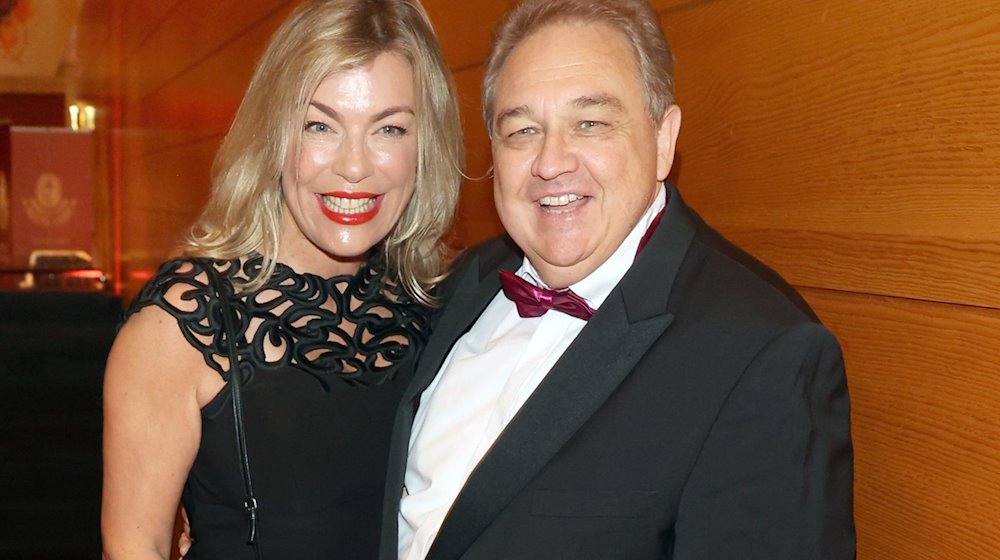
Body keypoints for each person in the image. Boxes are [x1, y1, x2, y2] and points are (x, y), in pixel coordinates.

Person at [385, 0, 856, 558]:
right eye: (522, 129)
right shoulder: (465, 281)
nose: (550, 161)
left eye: (590, 123)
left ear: (663, 139)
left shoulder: (766, 355)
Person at [101, 0, 463, 558]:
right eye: (320, 125)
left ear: (424, 146)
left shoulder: (442, 304)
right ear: (274, 133)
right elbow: (134, 546)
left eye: (389, 128)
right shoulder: (179, 329)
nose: (354, 166)